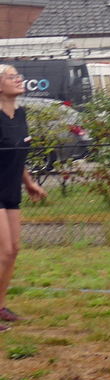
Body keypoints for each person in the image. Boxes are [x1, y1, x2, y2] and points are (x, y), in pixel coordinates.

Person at [0, 65, 46, 329]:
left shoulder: (20, 115)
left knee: (14, 250)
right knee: (4, 250)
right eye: (11, 77)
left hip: (10, 190)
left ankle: (0, 306)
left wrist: (29, 183)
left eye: (19, 76)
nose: (19, 80)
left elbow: (18, 153)